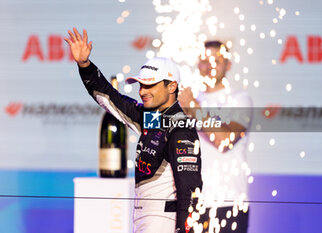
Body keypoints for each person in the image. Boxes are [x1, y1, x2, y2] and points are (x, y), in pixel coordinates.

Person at [64, 28, 202, 233]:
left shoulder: (180, 129)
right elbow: (109, 97)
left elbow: (190, 193)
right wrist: (85, 65)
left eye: (150, 85)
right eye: (140, 85)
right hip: (144, 218)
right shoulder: (151, 118)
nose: (142, 91)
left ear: (172, 86)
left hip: (164, 222)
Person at [178, 40, 252, 233]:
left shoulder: (239, 99)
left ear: (228, 65)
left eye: (216, 60)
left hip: (228, 203)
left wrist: (194, 109)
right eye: (204, 60)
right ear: (198, 64)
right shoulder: (189, 102)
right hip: (193, 204)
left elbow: (224, 140)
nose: (209, 65)